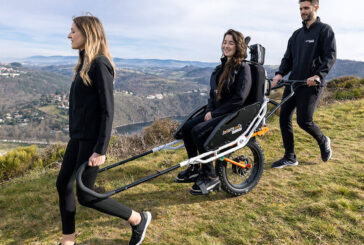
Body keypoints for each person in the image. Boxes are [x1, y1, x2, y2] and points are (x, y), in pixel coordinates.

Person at [56, 16, 151, 245]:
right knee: (63, 184)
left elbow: (108, 110)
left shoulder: (100, 64)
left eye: (73, 31)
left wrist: (100, 149)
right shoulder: (84, 64)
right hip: (77, 138)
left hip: (91, 143)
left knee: (87, 196)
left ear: (87, 34)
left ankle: (138, 219)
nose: (69, 35)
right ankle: (68, 240)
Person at [175, 29, 252, 195]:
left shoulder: (243, 69)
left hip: (231, 114)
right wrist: (210, 110)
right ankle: (195, 167)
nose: (226, 45)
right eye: (225, 42)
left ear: (238, 46)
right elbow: (213, 94)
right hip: (216, 112)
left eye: (231, 43)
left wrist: (215, 114)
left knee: (198, 131)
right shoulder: (221, 67)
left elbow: (239, 99)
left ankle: (210, 176)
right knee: (187, 128)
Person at [271, 0, 336, 168]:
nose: (303, 11)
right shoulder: (296, 35)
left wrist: (318, 76)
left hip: (312, 84)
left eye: (306, 8)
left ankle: (323, 140)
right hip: (294, 82)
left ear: (316, 8)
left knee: (304, 121)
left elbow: (330, 56)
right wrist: (279, 74)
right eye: (301, 8)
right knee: (284, 116)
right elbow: (288, 59)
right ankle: (290, 156)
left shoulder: (324, 30)